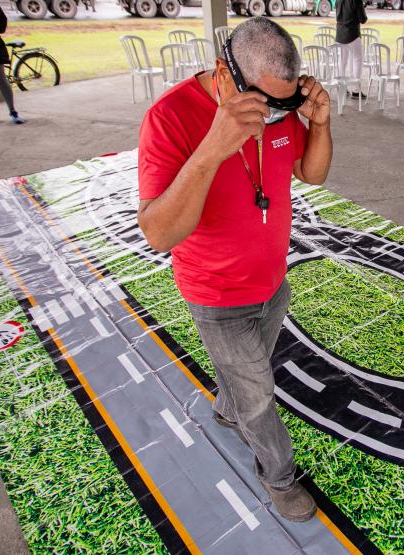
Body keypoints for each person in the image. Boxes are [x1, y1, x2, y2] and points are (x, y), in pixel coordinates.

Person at [136, 18, 332, 522]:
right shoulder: (170, 117)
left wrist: (320, 123)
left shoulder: (280, 106)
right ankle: (279, 476)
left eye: (283, 104)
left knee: (246, 380)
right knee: (259, 393)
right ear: (225, 73)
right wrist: (214, 146)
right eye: (263, 102)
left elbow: (312, 173)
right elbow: (158, 233)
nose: (272, 114)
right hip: (216, 293)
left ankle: (226, 407)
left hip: (272, 282)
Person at [335, 0, 367, 99]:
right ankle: (356, 90)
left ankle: (341, 87)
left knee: (342, 61)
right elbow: (363, 19)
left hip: (340, 34)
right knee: (357, 60)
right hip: (353, 34)